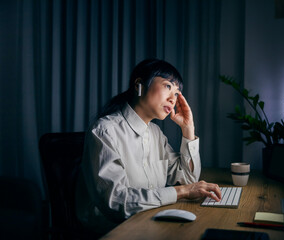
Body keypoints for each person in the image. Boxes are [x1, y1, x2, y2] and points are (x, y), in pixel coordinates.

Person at [76, 58, 221, 233]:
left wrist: (188, 129)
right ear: (139, 85)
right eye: (168, 86)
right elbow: (116, 202)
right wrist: (181, 191)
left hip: (150, 223)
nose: (172, 99)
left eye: (176, 93)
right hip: (113, 232)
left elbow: (188, 180)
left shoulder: (156, 133)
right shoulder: (105, 131)